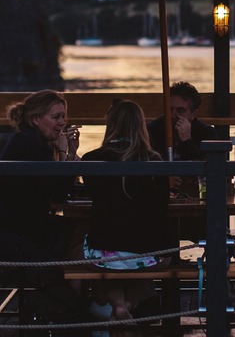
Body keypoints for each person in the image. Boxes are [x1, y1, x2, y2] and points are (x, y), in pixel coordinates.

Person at [83, 100, 172, 326]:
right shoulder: (155, 161)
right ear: (141, 125)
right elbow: (163, 205)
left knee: (108, 260)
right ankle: (127, 306)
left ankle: (118, 306)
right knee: (156, 257)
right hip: (148, 254)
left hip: (103, 252)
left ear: (110, 124)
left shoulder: (91, 159)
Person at [0, 90, 81, 261]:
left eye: (63, 117)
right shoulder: (30, 146)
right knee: (82, 230)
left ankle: (66, 275)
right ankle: (68, 277)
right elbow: (58, 193)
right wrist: (66, 153)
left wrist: (70, 153)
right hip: (15, 237)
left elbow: (55, 187)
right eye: (55, 117)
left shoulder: (28, 140)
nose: (62, 122)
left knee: (76, 229)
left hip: (13, 230)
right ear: (36, 119)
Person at [147, 81, 219, 163]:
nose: (173, 115)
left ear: (193, 114)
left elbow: (207, 165)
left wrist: (187, 141)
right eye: (169, 109)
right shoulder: (152, 130)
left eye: (180, 111)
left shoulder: (206, 133)